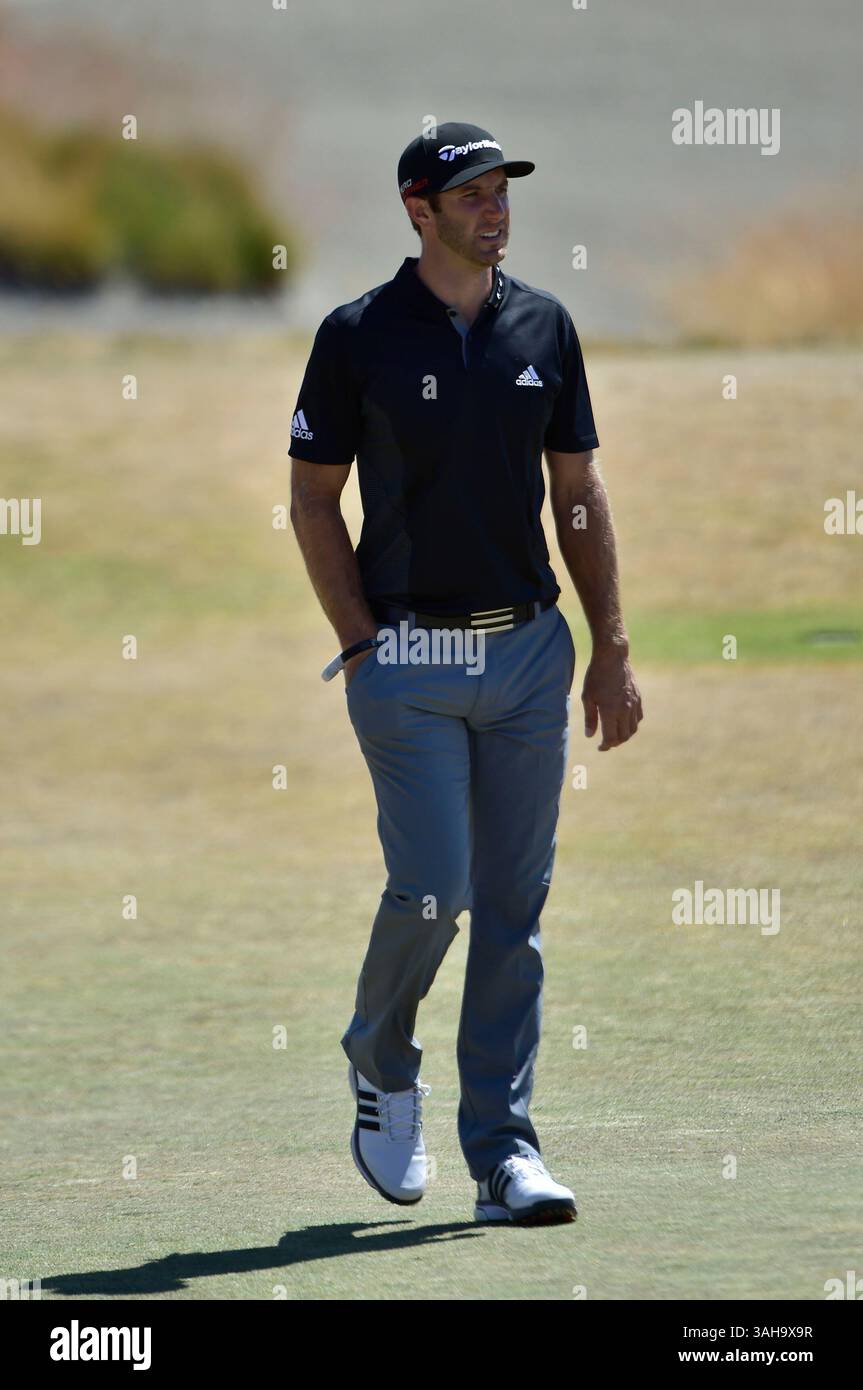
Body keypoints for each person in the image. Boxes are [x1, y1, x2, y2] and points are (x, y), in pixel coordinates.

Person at [289, 121, 643, 1225]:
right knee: (435, 887)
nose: (494, 209)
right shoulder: (358, 335)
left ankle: (501, 1153)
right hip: (410, 656)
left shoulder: (543, 323)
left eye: (502, 192)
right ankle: (381, 1062)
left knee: (512, 908)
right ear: (417, 207)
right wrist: (357, 642)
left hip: (531, 651)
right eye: (472, 194)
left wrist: (609, 646)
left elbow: (576, 492)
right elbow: (312, 499)